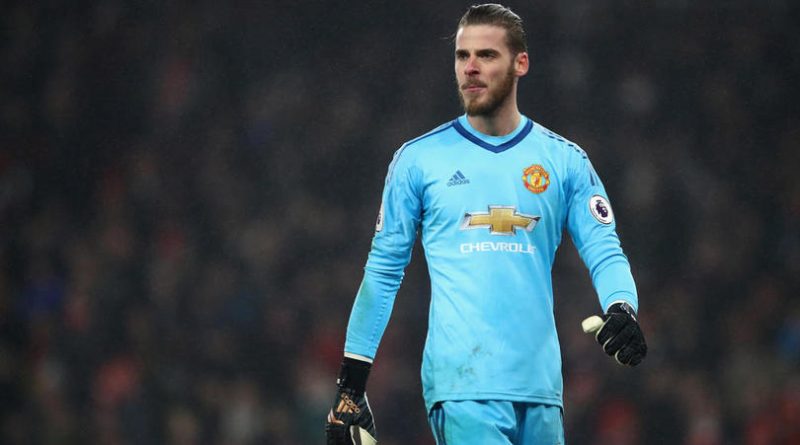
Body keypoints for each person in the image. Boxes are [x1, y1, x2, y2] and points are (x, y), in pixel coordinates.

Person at [325, 4, 647, 444]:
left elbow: (604, 248)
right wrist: (350, 386)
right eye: (463, 56)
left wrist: (622, 306)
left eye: (486, 55)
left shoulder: (565, 161)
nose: (471, 68)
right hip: (463, 387)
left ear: (521, 63)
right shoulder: (419, 160)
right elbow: (383, 272)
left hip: (541, 389)